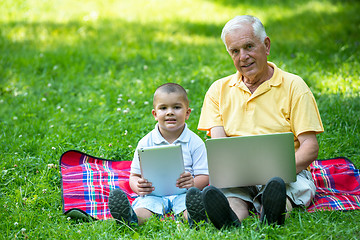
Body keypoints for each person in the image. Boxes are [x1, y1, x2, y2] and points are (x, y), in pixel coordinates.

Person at [185, 15, 324, 229]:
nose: (243, 57)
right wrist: (231, 173)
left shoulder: (295, 86)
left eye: (249, 46)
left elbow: (310, 147)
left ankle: (273, 214)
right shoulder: (218, 90)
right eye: (235, 51)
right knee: (231, 196)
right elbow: (220, 146)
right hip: (239, 174)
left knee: (280, 190)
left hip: (286, 172)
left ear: (266, 45)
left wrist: (277, 171)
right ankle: (231, 220)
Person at [108, 83, 209, 227]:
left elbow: (205, 175)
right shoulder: (146, 142)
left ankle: (195, 217)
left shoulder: (195, 142)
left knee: (190, 205)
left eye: (177, 107)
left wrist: (193, 183)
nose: (170, 112)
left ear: (187, 113)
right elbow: (134, 176)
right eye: (163, 108)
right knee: (145, 208)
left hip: (184, 193)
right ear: (155, 114)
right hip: (153, 194)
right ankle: (129, 218)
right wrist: (138, 186)